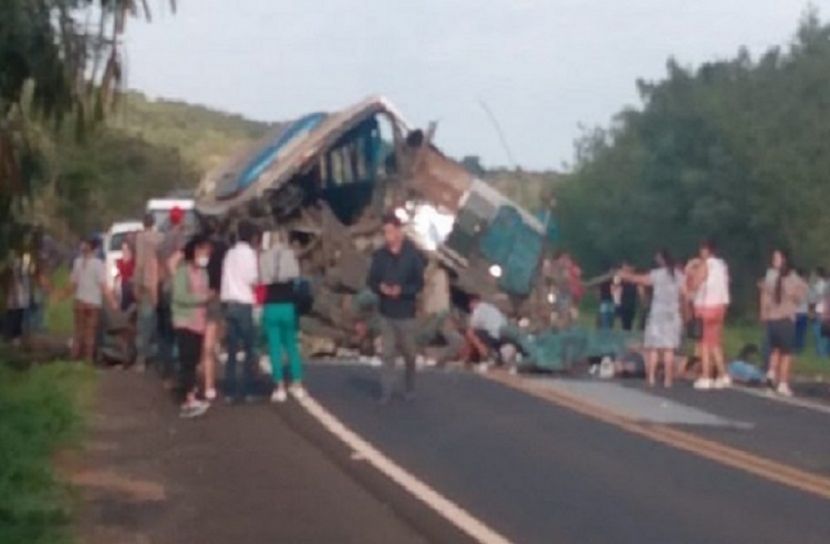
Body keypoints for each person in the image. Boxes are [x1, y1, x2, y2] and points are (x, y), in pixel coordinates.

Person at [367, 213, 425, 403]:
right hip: (386, 311)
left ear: (399, 231)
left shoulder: (412, 255)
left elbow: (419, 283)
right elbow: (371, 280)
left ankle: (410, 386)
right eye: (385, 232)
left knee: (409, 353)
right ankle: (386, 391)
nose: (388, 236)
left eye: (391, 231)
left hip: (406, 312)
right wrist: (380, 288)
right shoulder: (380, 255)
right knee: (387, 353)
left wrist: (403, 290)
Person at [620, 249, 684, 387]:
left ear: (661, 260)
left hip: (657, 314)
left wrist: (627, 275)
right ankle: (668, 380)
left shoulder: (657, 274)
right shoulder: (679, 275)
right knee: (669, 349)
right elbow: (684, 293)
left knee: (653, 348)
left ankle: (651, 378)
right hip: (672, 314)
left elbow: (642, 280)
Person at [260, 231, 305, 403]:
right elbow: (295, 275)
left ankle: (279, 387)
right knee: (291, 345)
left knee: (274, 347)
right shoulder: (290, 255)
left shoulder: (265, 257)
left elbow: (263, 280)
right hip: (287, 305)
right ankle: (297, 383)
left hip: (271, 304)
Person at [171, 236, 212, 418]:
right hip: (184, 322)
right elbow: (180, 296)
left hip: (199, 323)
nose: (205, 256)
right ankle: (188, 398)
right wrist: (202, 298)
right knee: (187, 360)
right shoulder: (182, 272)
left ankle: (191, 393)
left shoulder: (204, 273)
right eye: (202, 251)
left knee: (194, 359)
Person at [220, 221, 260, 403]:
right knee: (250, 349)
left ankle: (229, 389)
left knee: (232, 350)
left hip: (229, 302)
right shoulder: (249, 254)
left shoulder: (230, 253)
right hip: (244, 303)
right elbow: (252, 278)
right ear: (252, 237)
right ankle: (247, 389)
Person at [760, 250, 808, 397]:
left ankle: (770, 375)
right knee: (786, 353)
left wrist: (764, 312)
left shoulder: (771, 277)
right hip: (786, 319)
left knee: (775, 350)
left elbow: (764, 293)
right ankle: (783, 383)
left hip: (772, 319)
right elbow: (801, 296)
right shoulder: (793, 279)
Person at [689, 239, 731, 390]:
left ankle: (706, 376)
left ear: (705, 251)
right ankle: (723, 374)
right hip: (721, 305)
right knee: (715, 342)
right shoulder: (722, 265)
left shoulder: (705, 265)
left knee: (704, 343)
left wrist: (691, 269)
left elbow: (695, 283)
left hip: (706, 306)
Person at [157, 207, 188, 384]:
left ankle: (165, 367)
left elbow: (161, 264)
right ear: (180, 219)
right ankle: (177, 370)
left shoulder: (164, 239)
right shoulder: (180, 239)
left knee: (165, 332)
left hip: (164, 286)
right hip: (175, 288)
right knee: (178, 330)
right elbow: (175, 263)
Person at [70, 238, 112, 361]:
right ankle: (88, 359)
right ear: (96, 248)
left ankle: (75, 357)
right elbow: (103, 286)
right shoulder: (98, 264)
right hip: (93, 303)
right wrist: (112, 302)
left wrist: (60, 295)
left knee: (78, 332)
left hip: (79, 301)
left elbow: (73, 284)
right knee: (90, 333)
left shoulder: (77, 263)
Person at [202, 224, 228, 401]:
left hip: (204, 299)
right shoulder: (224, 250)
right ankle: (208, 385)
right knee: (209, 343)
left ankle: (206, 383)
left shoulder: (202, 255)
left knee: (205, 345)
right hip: (216, 297)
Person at [134, 213, 161, 372]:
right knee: (159, 323)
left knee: (144, 323)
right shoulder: (160, 238)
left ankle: (141, 359)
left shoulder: (141, 239)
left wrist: (136, 285)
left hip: (146, 284)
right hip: (160, 283)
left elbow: (139, 263)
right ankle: (158, 358)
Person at [466, 295, 509, 368]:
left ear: (472, 303)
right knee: (482, 333)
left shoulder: (477, 310)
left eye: (470, 304)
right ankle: (496, 355)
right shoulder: (491, 307)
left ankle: (485, 355)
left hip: (494, 336)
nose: (469, 307)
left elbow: (472, 328)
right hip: (504, 334)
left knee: (470, 333)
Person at [809, 267, 829, 358]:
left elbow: (813, 301)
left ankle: (821, 354)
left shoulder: (817, 286)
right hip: (826, 312)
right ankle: (824, 353)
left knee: (819, 335)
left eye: (813, 274)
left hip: (820, 311)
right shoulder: (827, 284)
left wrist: (811, 312)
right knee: (826, 335)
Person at [616, 262, 639, 331]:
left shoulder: (634, 279)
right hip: (624, 304)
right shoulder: (620, 279)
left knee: (629, 324)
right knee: (624, 325)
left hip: (631, 305)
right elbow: (615, 286)